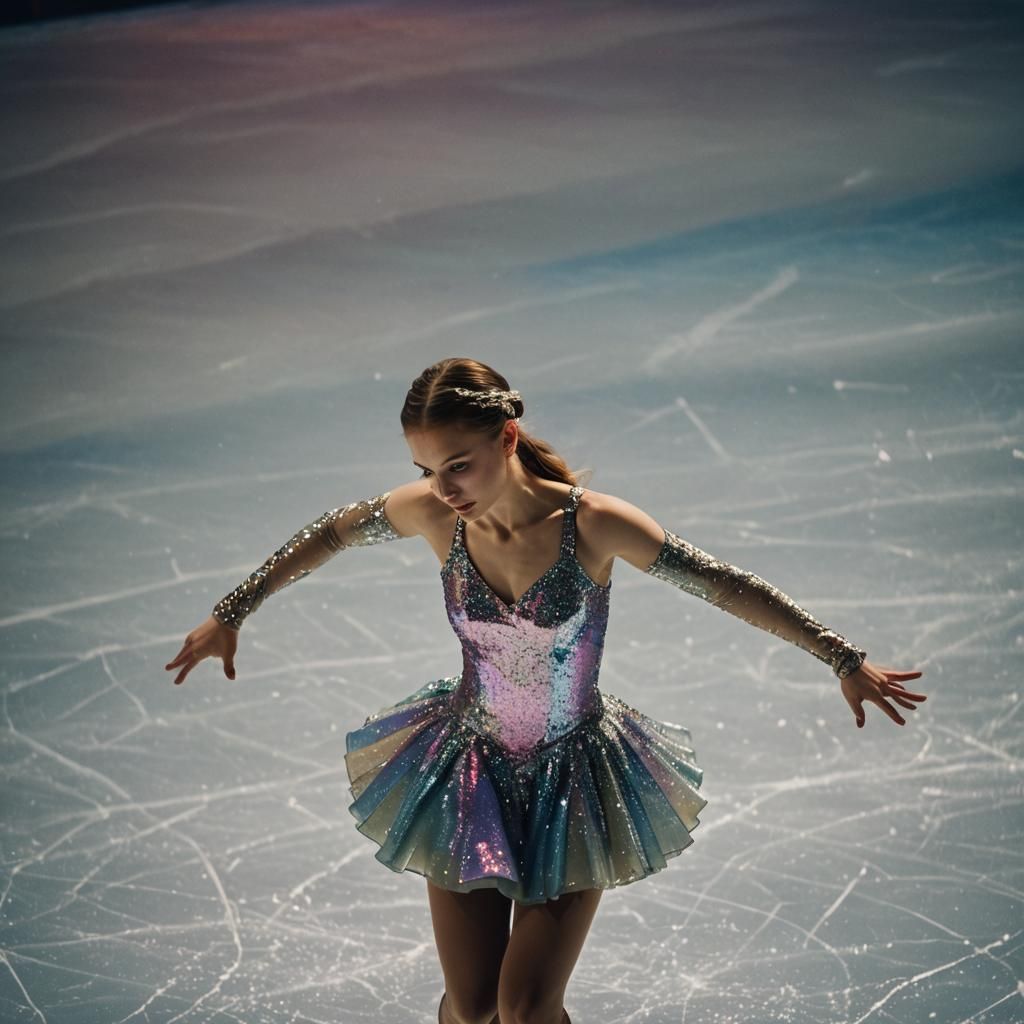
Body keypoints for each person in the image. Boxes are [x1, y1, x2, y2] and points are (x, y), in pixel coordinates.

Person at [166, 357, 926, 1024]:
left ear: (505, 437)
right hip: (466, 773)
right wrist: (233, 612)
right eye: (429, 469)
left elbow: (722, 584)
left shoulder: (592, 525)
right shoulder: (434, 515)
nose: (442, 486)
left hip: (577, 780)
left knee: (526, 1010)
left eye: (457, 464)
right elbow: (330, 532)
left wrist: (839, 657)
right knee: (472, 1007)